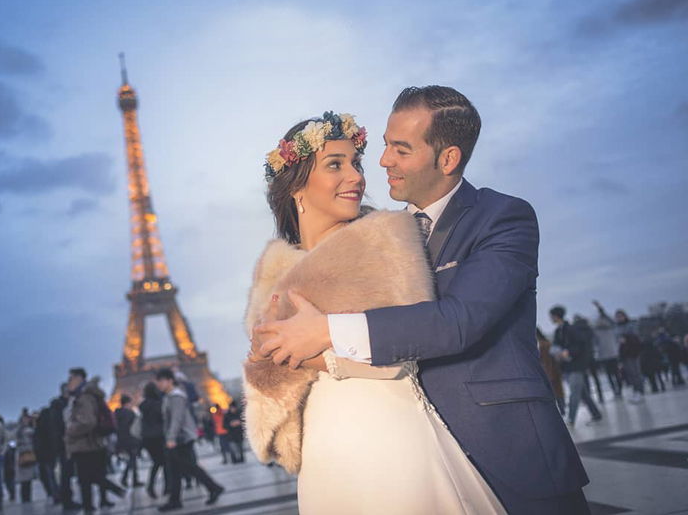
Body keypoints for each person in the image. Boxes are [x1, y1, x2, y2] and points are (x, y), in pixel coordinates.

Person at [251, 90, 590, 514]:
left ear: (447, 159)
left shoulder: (501, 218)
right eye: (384, 146)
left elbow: (456, 322)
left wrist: (320, 337)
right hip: (347, 445)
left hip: (493, 440)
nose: (380, 163)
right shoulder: (381, 233)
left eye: (401, 149)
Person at [154, 369, 224, 512]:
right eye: (158, 381)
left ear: (170, 380)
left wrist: (171, 438)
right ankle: (175, 500)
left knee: (190, 467)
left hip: (181, 438)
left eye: (161, 381)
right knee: (174, 470)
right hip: (176, 438)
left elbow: (177, 418)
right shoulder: (170, 396)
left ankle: (214, 488)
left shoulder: (176, 396)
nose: (159, 384)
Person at [63, 368, 124, 512]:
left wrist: (70, 429)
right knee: (92, 477)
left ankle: (92, 506)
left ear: (79, 378)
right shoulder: (86, 396)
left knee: (86, 479)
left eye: (71, 378)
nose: (68, 382)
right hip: (93, 444)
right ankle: (95, 503)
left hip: (85, 444)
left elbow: (88, 422)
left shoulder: (83, 398)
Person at [551, 307, 603, 428]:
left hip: (577, 365)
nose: (551, 318)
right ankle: (596, 414)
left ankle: (571, 420)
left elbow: (580, 346)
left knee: (574, 392)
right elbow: (556, 346)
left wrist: (568, 352)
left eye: (552, 316)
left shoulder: (572, 329)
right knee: (583, 392)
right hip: (567, 366)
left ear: (556, 316)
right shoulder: (558, 331)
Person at [595, 301, 645, 402]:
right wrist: (600, 308)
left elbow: (636, 337)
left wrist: (626, 338)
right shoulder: (616, 326)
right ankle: (636, 392)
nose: (619, 318)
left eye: (621, 316)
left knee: (636, 373)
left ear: (625, 316)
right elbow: (608, 318)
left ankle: (639, 392)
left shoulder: (630, 325)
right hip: (623, 353)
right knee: (630, 374)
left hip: (632, 352)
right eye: (618, 317)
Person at [50, 385, 79, 510]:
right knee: (66, 472)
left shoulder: (60, 404)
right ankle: (67, 501)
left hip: (67, 441)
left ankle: (68, 499)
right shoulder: (60, 405)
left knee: (67, 472)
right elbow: (60, 424)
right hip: (65, 442)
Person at [138, 383, 166, 499]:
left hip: (147, 438)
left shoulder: (143, 405)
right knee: (165, 462)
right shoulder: (158, 404)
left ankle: (151, 487)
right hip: (159, 436)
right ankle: (167, 487)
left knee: (157, 462)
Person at [592, 313, 624, 398]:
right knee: (613, 375)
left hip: (608, 355)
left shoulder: (609, 329)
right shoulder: (610, 329)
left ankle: (617, 390)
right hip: (609, 354)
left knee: (613, 375)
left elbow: (595, 343)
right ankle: (617, 390)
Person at [113, 396, 143, 488]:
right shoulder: (130, 413)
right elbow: (135, 426)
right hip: (131, 439)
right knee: (132, 459)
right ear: (127, 403)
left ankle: (130, 478)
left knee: (131, 459)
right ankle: (129, 478)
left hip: (121, 439)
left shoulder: (116, 413)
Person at [536, 328, 566, 415]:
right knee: (558, 391)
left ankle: (560, 411)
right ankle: (562, 410)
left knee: (555, 392)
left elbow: (547, 361)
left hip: (550, 371)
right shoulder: (546, 343)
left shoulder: (543, 345)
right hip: (552, 371)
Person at [33, 406, 60, 504]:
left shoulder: (39, 428)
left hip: (43, 456)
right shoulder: (52, 426)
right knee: (55, 475)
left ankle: (54, 494)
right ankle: (58, 493)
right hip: (52, 453)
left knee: (50, 476)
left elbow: (36, 444)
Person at [14, 414, 36, 503]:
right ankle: (25, 497)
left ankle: (27, 497)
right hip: (24, 454)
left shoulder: (28, 430)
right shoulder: (21, 431)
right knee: (25, 479)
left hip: (27, 454)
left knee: (27, 479)